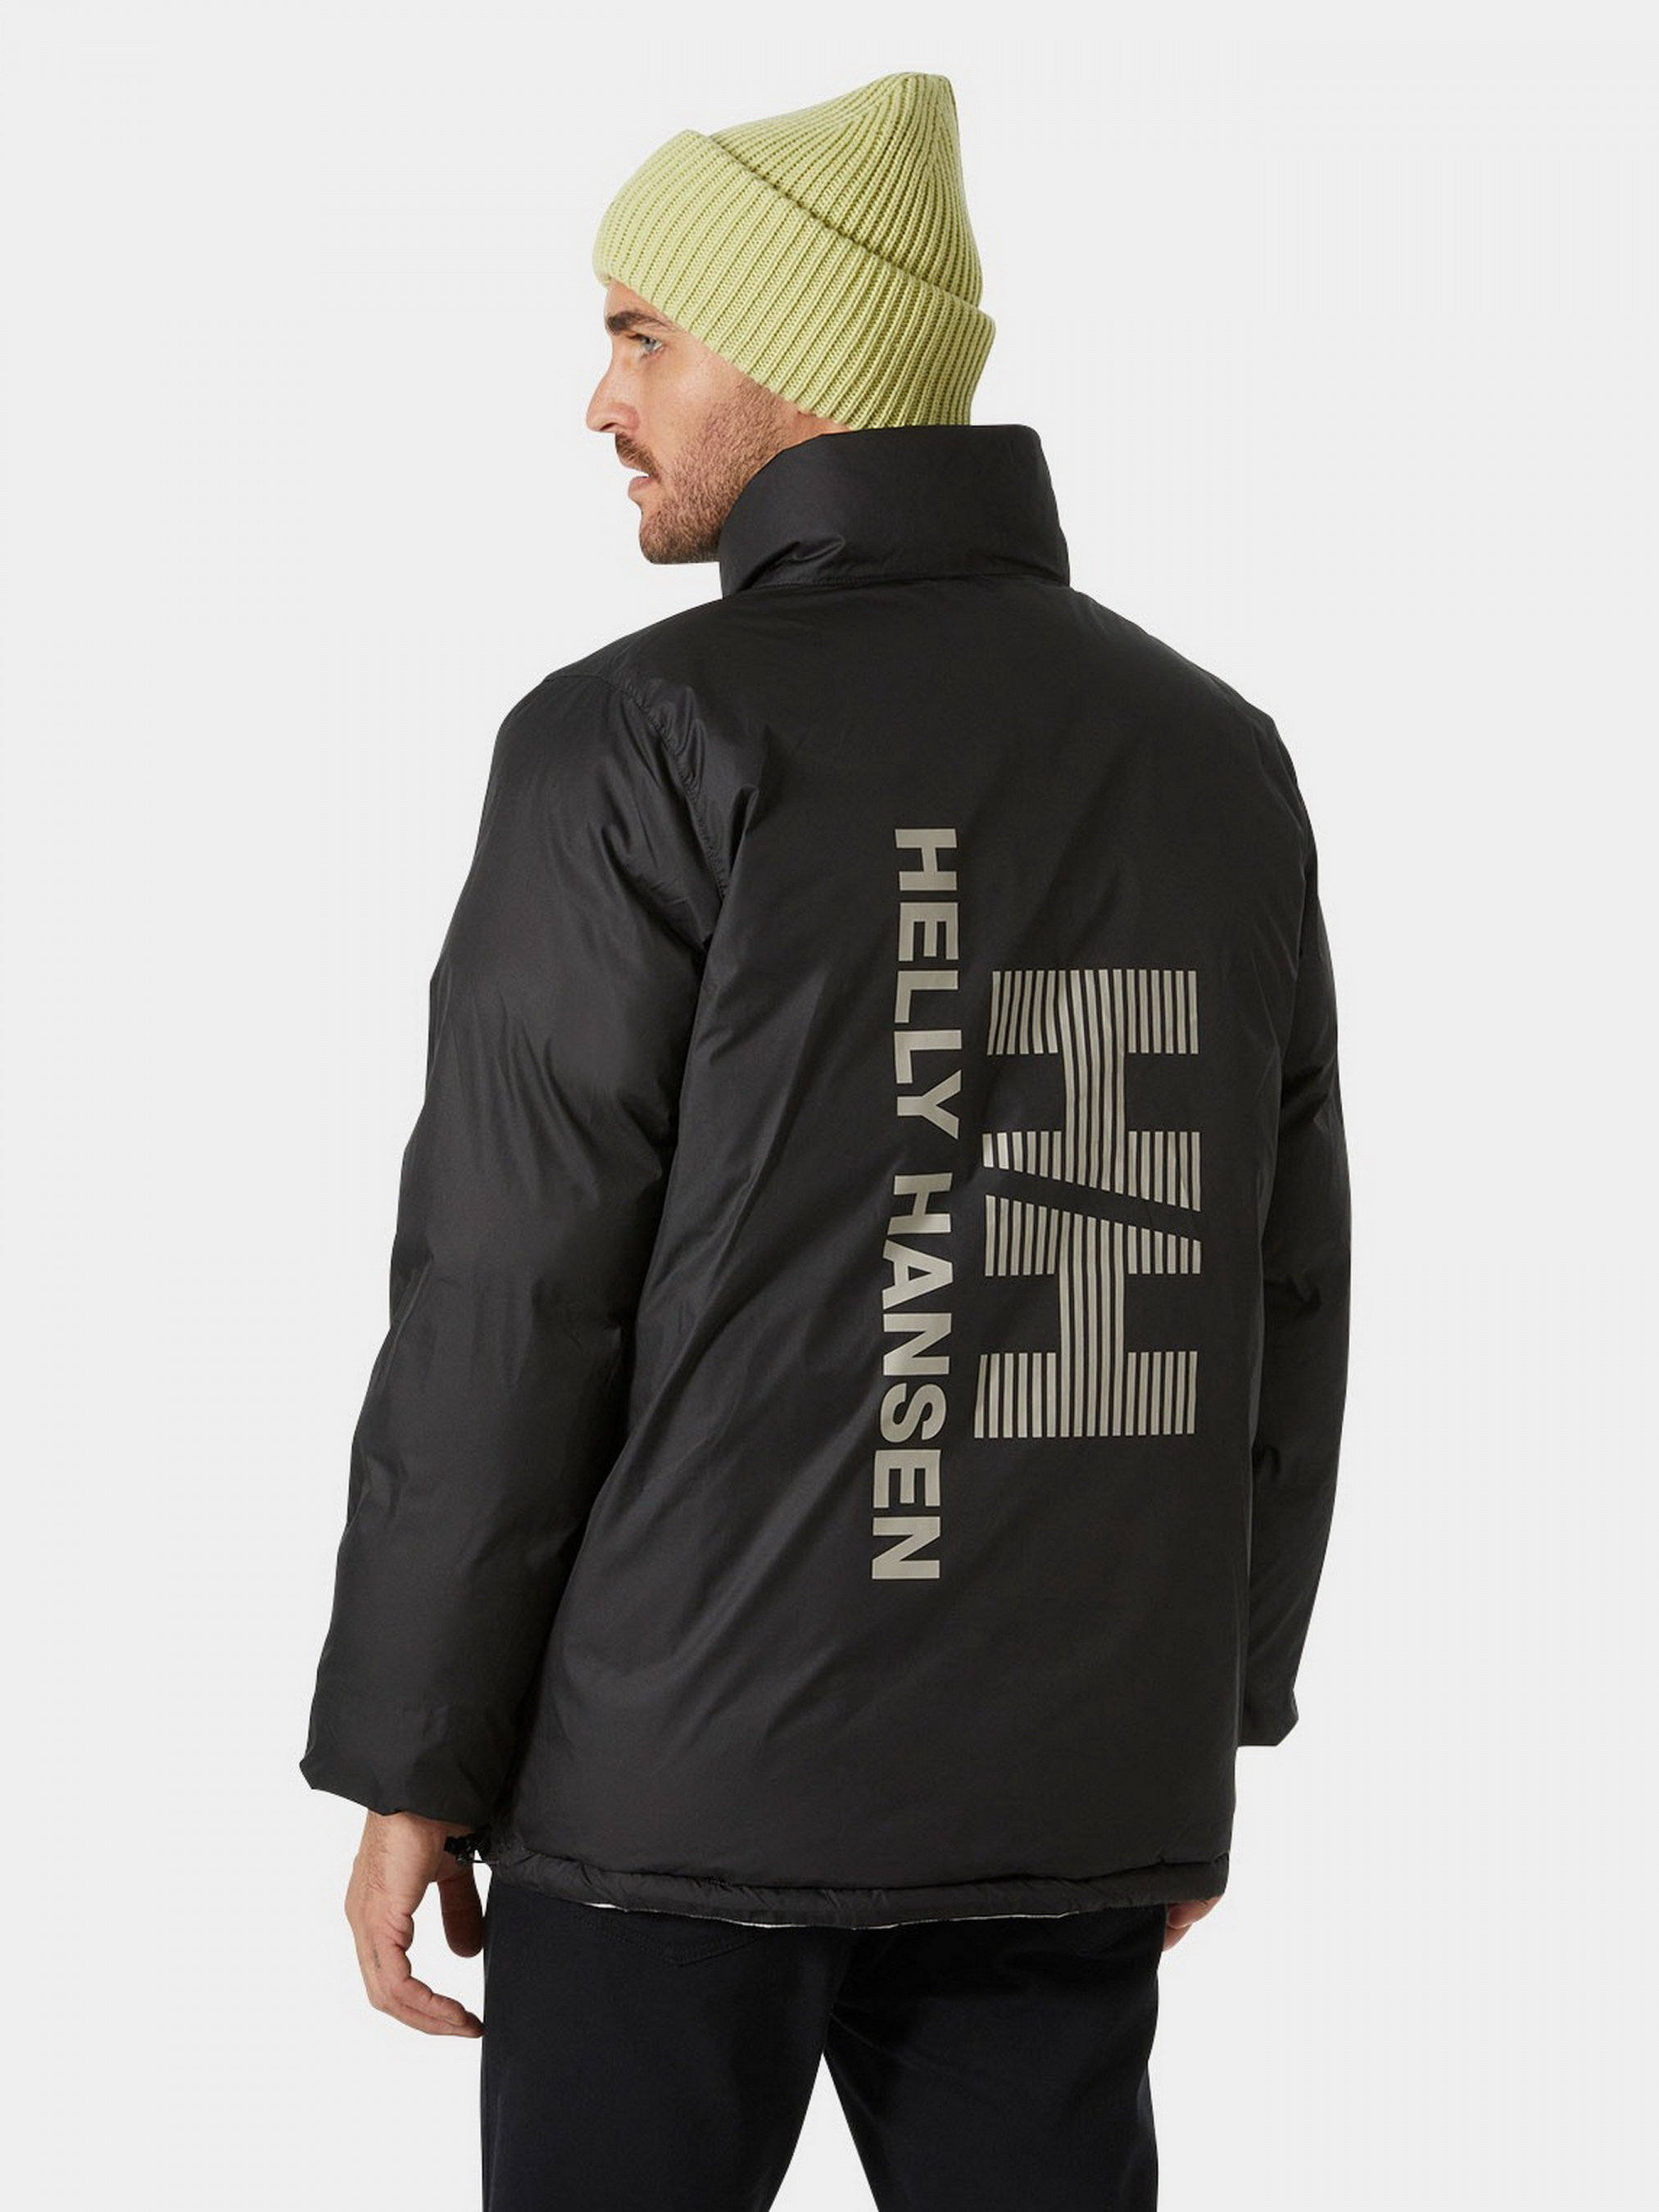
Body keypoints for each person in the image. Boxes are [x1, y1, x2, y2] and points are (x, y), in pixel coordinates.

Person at [301, 69, 1352, 2212]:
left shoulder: (642, 737)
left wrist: (412, 1755)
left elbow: (515, 1288)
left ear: (795, 361)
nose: (600, 403)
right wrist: (1194, 1726)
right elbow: (1273, 1277)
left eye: (639, 335)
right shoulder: (1207, 751)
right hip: (1062, 1796)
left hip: (674, 1807)